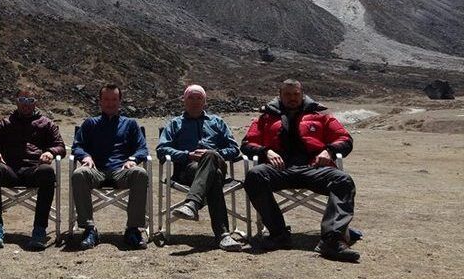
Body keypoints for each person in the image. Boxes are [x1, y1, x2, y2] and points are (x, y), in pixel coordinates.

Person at [241, 79, 360, 262]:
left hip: (314, 167)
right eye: (287, 95)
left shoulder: (321, 116)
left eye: (296, 94)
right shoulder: (265, 118)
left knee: (343, 181)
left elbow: (344, 139)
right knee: (254, 176)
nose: (292, 98)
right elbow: (248, 144)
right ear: (280, 95)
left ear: (302, 94)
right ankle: (278, 234)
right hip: (278, 168)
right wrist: (266, 151)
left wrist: (329, 151)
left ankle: (332, 240)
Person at [157, 85, 242, 251]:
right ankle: (223, 235)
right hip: (187, 170)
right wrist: (188, 155)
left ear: (204, 101)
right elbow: (162, 150)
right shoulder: (175, 124)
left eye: (198, 98)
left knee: (210, 156)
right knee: (215, 176)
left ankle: (192, 203)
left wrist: (214, 153)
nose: (195, 102)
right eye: (191, 98)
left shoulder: (217, 122)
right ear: (184, 101)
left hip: (217, 163)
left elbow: (234, 149)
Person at [0, 88, 66, 250]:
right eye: (22, 100)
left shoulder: (47, 123)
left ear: (36, 102)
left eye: (30, 101)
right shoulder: (5, 123)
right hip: (9, 169)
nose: (26, 104)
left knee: (47, 172)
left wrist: (50, 152)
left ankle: (39, 230)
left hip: (33, 170)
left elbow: (60, 147)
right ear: (16, 101)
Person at [71, 84, 149, 250]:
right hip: (96, 170)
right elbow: (77, 146)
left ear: (120, 101)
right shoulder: (90, 124)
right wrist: (85, 156)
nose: (110, 103)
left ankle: (133, 230)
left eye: (114, 99)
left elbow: (142, 148)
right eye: (106, 99)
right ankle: (89, 229)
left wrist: (133, 159)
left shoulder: (131, 124)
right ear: (100, 101)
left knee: (140, 173)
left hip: (122, 171)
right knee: (79, 174)